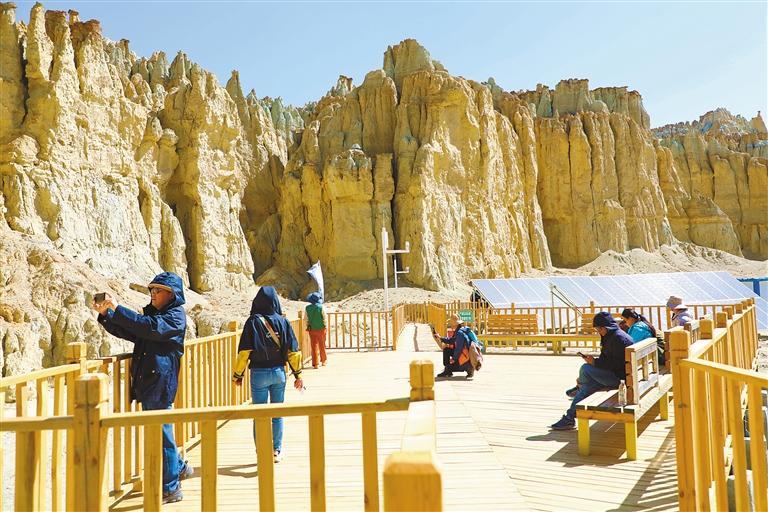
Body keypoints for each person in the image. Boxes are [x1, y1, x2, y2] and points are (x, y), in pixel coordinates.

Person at [92, 272, 192, 504]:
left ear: (171, 294)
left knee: (162, 435)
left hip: (159, 383)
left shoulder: (175, 315)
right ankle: (179, 468)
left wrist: (118, 308)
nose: (153, 294)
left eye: (158, 290)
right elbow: (132, 331)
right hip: (151, 381)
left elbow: (147, 327)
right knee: (161, 432)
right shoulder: (158, 316)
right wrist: (107, 315)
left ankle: (171, 488)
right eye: (152, 290)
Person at [232, 286, 303, 463]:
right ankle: (276, 451)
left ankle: (262, 451)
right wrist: (298, 375)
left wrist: (238, 375)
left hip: (259, 373)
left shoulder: (252, 322)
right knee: (277, 414)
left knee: (259, 414)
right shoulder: (283, 321)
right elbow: (293, 352)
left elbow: (244, 352)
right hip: (279, 372)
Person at [550, 311, 633, 430]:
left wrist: (595, 363)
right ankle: (569, 418)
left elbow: (617, 364)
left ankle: (580, 386)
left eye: (599, 329)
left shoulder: (618, 339)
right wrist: (595, 361)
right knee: (586, 388)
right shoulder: (611, 336)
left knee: (585, 369)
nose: (599, 332)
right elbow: (608, 359)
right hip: (618, 374)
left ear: (605, 327)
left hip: (620, 380)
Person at [432, 314, 474, 380]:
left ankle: (467, 369)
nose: (450, 323)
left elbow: (458, 349)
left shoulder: (460, 333)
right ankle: (449, 370)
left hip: (465, 359)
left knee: (449, 367)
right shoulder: (460, 330)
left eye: (451, 322)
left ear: (455, 323)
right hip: (466, 356)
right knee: (446, 350)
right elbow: (451, 341)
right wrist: (441, 338)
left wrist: (454, 359)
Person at [305, 292, 327, 368]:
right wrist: (325, 326)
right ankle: (323, 361)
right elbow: (324, 318)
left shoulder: (307, 308)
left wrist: (308, 326)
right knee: (322, 345)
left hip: (312, 329)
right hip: (321, 329)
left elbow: (306, 319)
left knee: (314, 346)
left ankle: (315, 364)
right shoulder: (321, 307)